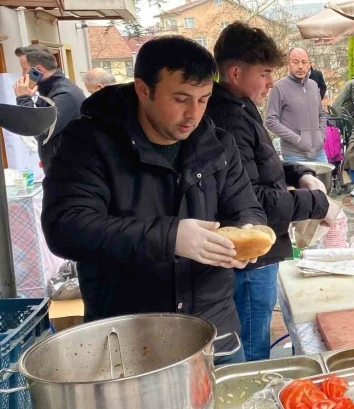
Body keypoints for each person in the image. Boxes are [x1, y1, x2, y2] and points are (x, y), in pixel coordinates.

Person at [41, 36, 266, 366]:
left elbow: (246, 206)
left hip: (215, 333)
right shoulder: (89, 143)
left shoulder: (218, 142)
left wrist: (248, 231)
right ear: (143, 90)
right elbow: (66, 226)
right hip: (129, 340)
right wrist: (171, 237)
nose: (194, 113)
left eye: (203, 100)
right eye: (180, 99)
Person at [207, 23, 338, 361]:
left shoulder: (240, 108)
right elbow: (253, 199)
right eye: (264, 73)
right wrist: (318, 204)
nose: (269, 82)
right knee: (251, 351)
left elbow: (262, 165)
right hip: (250, 259)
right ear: (235, 73)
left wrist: (301, 173)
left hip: (259, 255)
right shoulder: (228, 118)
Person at [13, 45, 85, 171]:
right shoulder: (50, 91)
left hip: (71, 174)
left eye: (24, 69)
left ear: (38, 70)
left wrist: (24, 98)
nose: (22, 74)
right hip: (61, 170)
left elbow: (39, 131)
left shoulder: (64, 94)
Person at [265, 47, 328, 163]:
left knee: (325, 181)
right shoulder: (279, 87)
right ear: (288, 64)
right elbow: (270, 120)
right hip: (294, 155)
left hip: (319, 152)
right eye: (295, 62)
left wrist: (321, 136)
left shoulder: (314, 85)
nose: (300, 66)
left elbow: (322, 115)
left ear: (309, 65)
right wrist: (298, 140)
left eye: (304, 62)